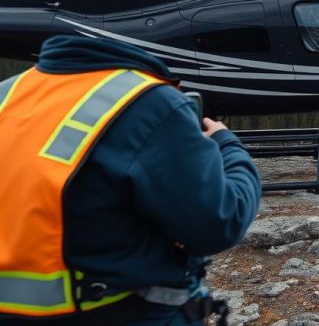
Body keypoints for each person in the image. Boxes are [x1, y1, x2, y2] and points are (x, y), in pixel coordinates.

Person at [0, 35, 261, 325]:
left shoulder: (9, 93)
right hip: (125, 313)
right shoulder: (152, 102)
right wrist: (228, 145)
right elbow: (220, 222)